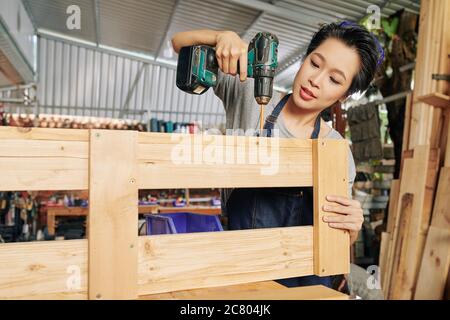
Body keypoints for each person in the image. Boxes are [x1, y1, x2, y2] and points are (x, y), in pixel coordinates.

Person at [172, 22, 383, 288]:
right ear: (305, 59)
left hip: (308, 285)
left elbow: (339, 241)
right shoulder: (249, 94)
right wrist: (221, 37)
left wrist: (351, 229)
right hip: (245, 277)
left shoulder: (336, 150)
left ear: (345, 93)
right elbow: (179, 42)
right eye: (315, 64)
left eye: (334, 79)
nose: (315, 81)